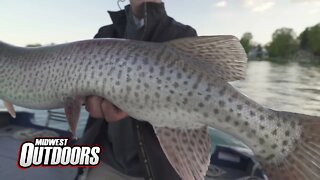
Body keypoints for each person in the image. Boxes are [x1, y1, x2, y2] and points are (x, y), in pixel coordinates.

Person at [80, 0, 197, 179]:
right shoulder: (105, 34)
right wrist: (85, 98)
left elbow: (189, 113)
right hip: (105, 159)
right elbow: (81, 91)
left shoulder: (184, 34)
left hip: (159, 170)